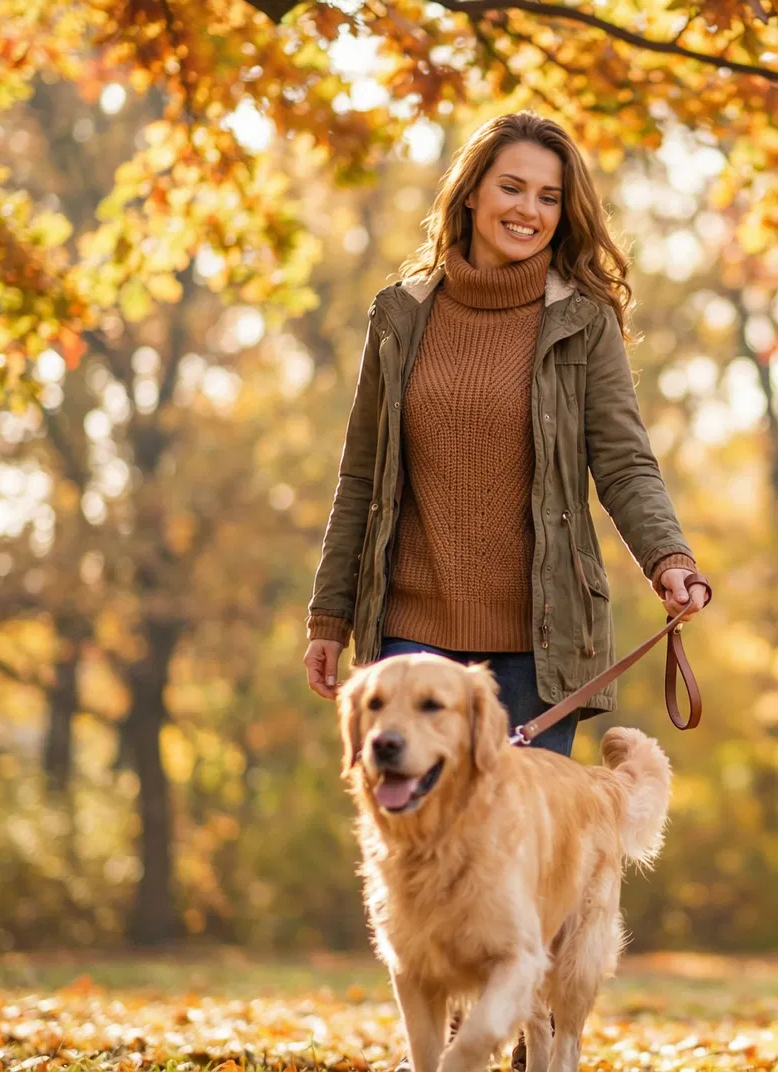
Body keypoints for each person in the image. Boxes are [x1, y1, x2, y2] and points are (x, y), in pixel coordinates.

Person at [302, 111, 709, 758]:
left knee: (519, 856)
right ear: (471, 193)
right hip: (409, 638)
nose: (530, 210)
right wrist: (330, 616)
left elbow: (625, 463)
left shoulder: (583, 322)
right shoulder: (399, 315)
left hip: (538, 651)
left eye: (549, 197)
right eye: (511, 188)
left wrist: (670, 559)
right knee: (419, 845)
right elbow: (361, 477)